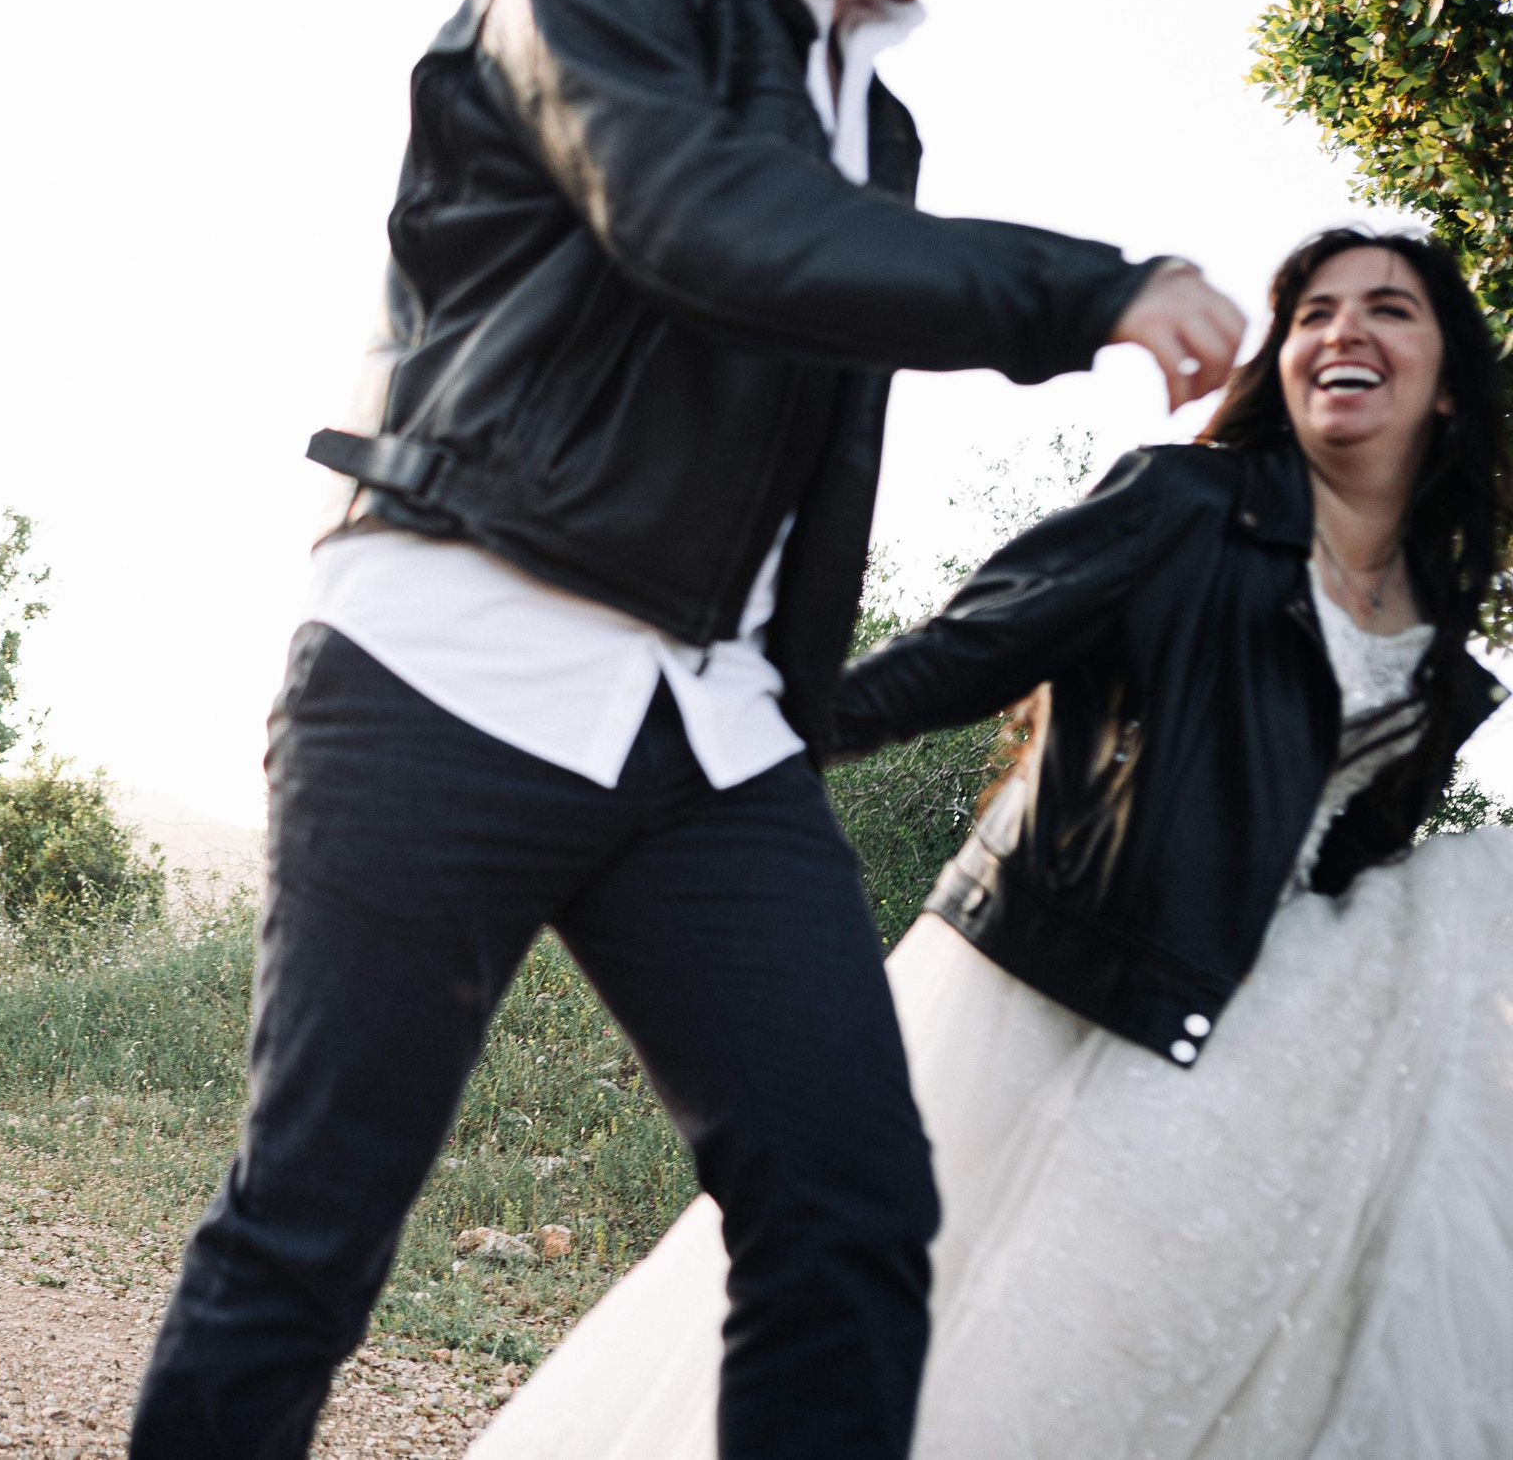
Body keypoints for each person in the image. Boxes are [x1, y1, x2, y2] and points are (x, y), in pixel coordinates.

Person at [124, 0, 1250, 1456]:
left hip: (707, 738)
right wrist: (1086, 288)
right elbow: (705, 222)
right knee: (312, 1227)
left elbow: (819, 462)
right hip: (449, 664)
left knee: (851, 1209)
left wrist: (797, 712)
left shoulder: (879, 124)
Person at [471, 226, 1513, 1459]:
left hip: (1250, 1013)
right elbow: (967, 651)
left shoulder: (1441, 653)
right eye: (1312, 313)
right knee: (926, 1332)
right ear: (1282, 363)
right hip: (1052, 972)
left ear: (1445, 381)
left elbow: (1348, 861)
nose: (1341, 331)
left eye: (1387, 310)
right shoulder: (1182, 506)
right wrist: (735, 736)